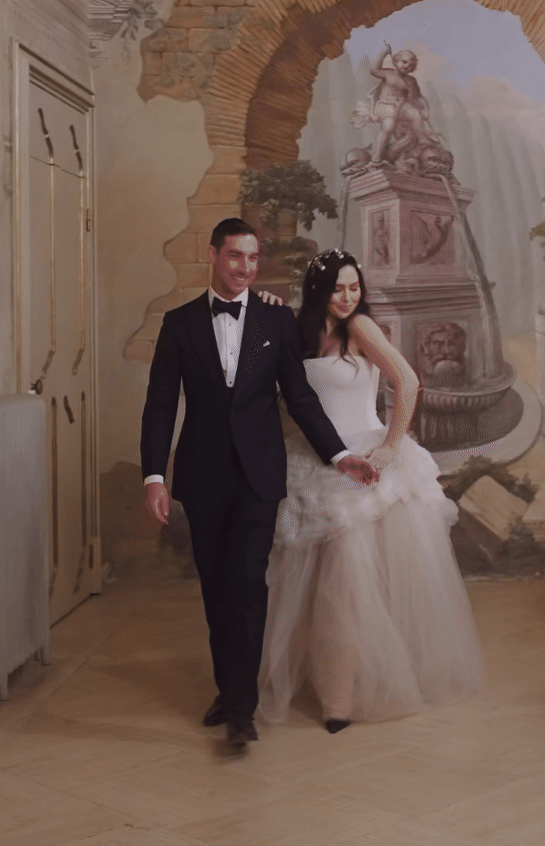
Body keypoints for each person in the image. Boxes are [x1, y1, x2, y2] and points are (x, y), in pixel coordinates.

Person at [140, 219, 378, 749]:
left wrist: (338, 454)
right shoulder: (178, 324)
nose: (246, 268)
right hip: (201, 477)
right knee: (216, 590)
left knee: (248, 585)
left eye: (253, 258)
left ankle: (241, 711)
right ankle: (230, 690)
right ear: (212, 255)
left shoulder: (276, 319)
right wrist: (155, 476)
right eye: (235, 257)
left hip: (259, 477)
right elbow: (159, 407)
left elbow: (300, 397)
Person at [258, 248, 484, 732]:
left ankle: (343, 698)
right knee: (309, 586)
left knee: (349, 584)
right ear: (318, 290)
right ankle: (328, 684)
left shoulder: (360, 327)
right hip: (316, 458)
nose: (347, 297)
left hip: (365, 460)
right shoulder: (297, 332)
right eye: (338, 288)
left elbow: (407, 379)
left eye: (354, 287)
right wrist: (264, 308)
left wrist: (389, 446)